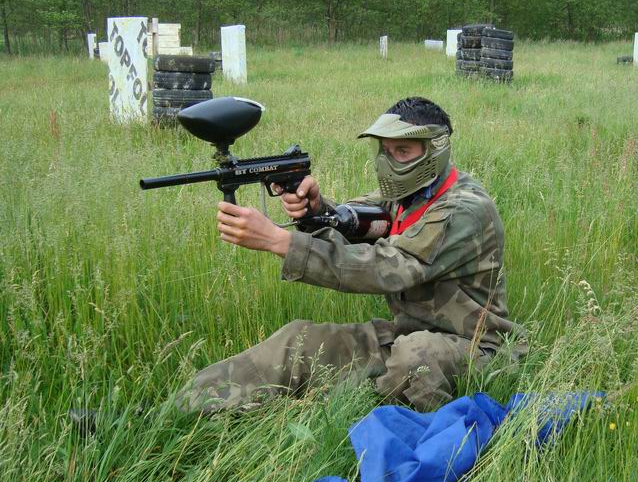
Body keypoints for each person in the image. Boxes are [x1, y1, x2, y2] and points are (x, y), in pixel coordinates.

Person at [178, 97, 524, 414]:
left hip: (476, 348)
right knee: (297, 341)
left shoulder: (464, 209)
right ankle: (183, 410)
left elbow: (387, 268)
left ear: (435, 149)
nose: (388, 162)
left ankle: (390, 422)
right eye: (384, 151)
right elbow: (356, 217)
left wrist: (279, 241)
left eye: (402, 151)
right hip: (404, 334)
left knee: (414, 358)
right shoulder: (409, 195)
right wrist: (316, 210)